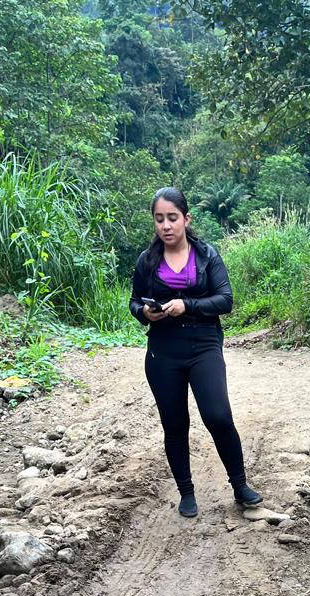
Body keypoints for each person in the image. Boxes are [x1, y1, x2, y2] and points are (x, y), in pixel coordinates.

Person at [130, 187, 262, 519]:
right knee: (175, 424)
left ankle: (240, 486)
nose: (166, 226)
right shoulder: (147, 260)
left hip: (204, 343)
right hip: (163, 350)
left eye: (172, 218)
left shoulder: (206, 255)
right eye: (159, 219)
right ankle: (186, 493)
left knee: (218, 416)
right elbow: (134, 301)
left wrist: (186, 305)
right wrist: (144, 313)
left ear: (186, 219)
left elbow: (225, 300)